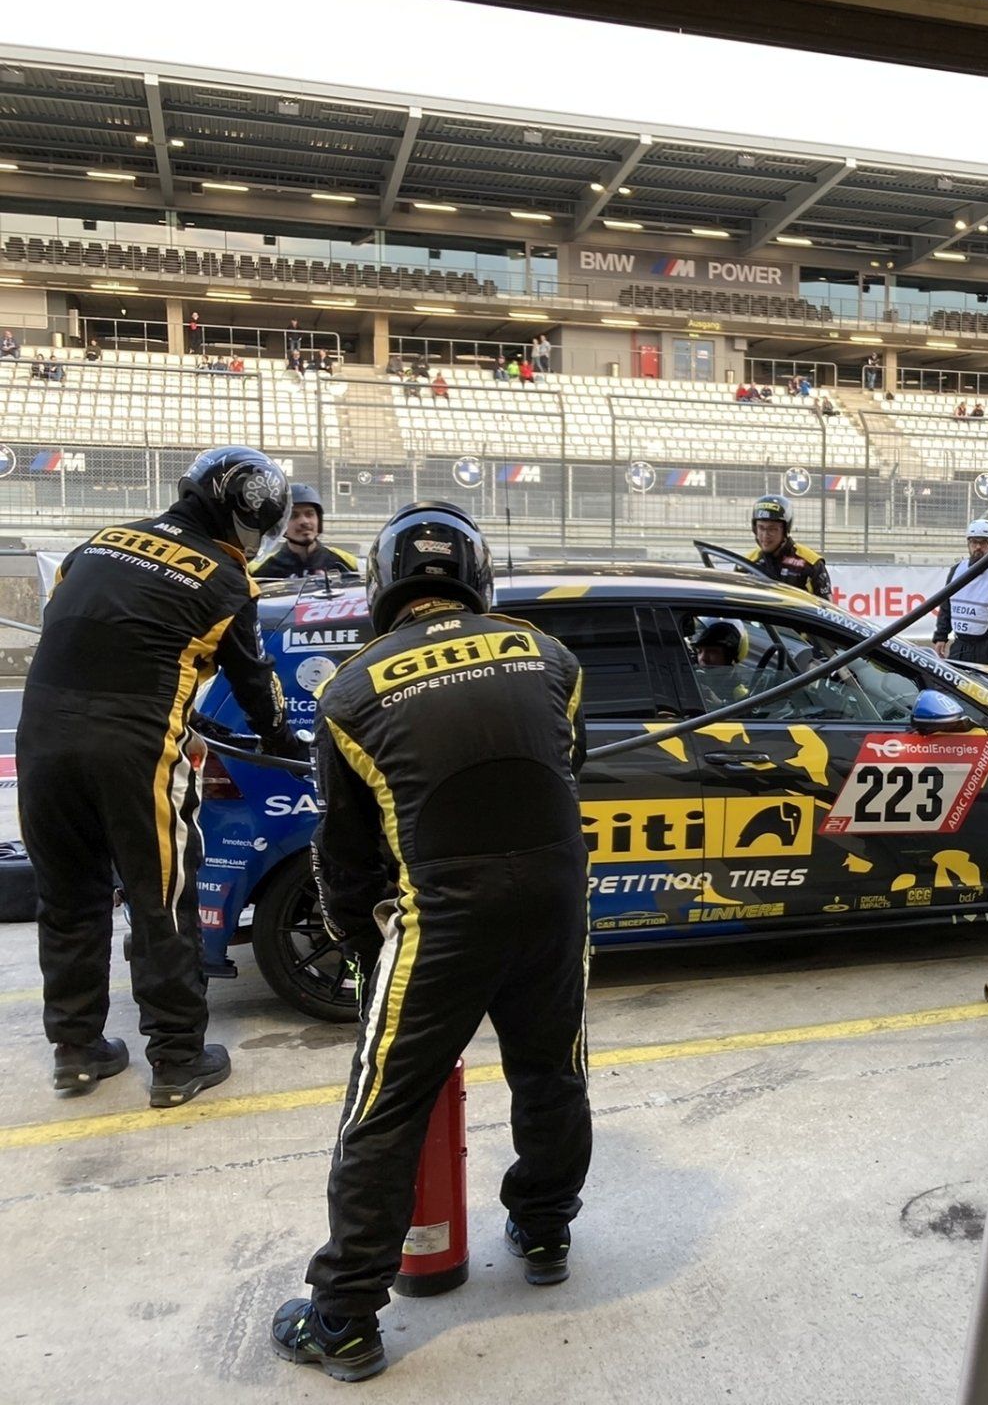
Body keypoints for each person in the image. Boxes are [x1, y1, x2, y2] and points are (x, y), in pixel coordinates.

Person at [272, 502, 591, 1384]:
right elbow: (566, 770)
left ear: (383, 583)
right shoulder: (550, 656)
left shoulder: (349, 692)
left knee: (385, 1105)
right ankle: (545, 1229)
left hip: (443, 916)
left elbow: (343, 858)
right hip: (556, 901)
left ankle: (343, 1319)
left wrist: (359, 946)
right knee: (552, 1070)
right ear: (475, 577)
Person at [20, 446, 298, 1106]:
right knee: (162, 902)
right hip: (135, 752)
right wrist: (284, 741)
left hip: (42, 742)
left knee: (68, 899)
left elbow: (76, 633)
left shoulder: (95, 545)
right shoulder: (226, 580)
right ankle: (177, 1059)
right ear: (243, 516)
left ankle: (76, 1053)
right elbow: (254, 682)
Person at [934, 518, 988, 667]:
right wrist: (941, 636)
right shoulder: (956, 571)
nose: (978, 547)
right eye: (974, 542)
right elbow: (947, 606)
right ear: (968, 543)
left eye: (984, 542)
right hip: (960, 645)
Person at [252, 483, 361, 580]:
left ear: (319, 519)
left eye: (310, 514)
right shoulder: (259, 570)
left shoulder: (348, 563)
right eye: (294, 515)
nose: (304, 521)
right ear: (281, 524)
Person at [744, 495, 832, 599]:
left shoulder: (811, 563)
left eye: (772, 529)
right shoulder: (746, 562)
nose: (765, 535)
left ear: (785, 530)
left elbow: (825, 606)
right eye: (761, 528)